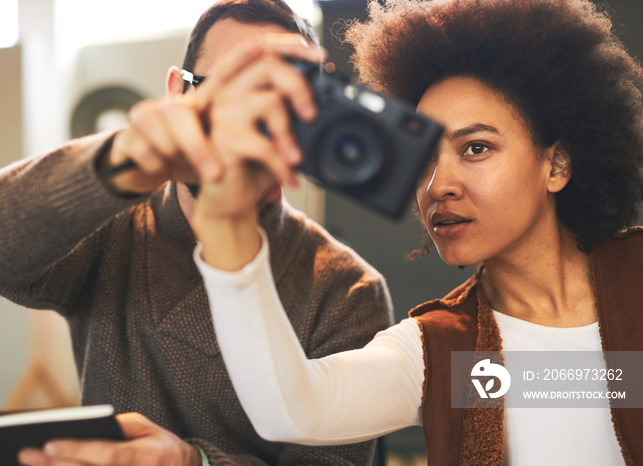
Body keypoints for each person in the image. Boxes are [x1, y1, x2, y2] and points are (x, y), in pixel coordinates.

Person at [185, 0, 643, 464]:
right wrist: (228, 231)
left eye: (476, 148)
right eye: (424, 157)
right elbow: (293, 409)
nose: (437, 185)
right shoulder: (441, 350)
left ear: (557, 164)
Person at [0, 1, 394, 465]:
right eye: (231, 92)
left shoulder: (345, 288)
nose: (250, 121)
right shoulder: (114, 229)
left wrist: (193, 462)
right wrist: (122, 161)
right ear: (179, 92)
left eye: (275, 99)